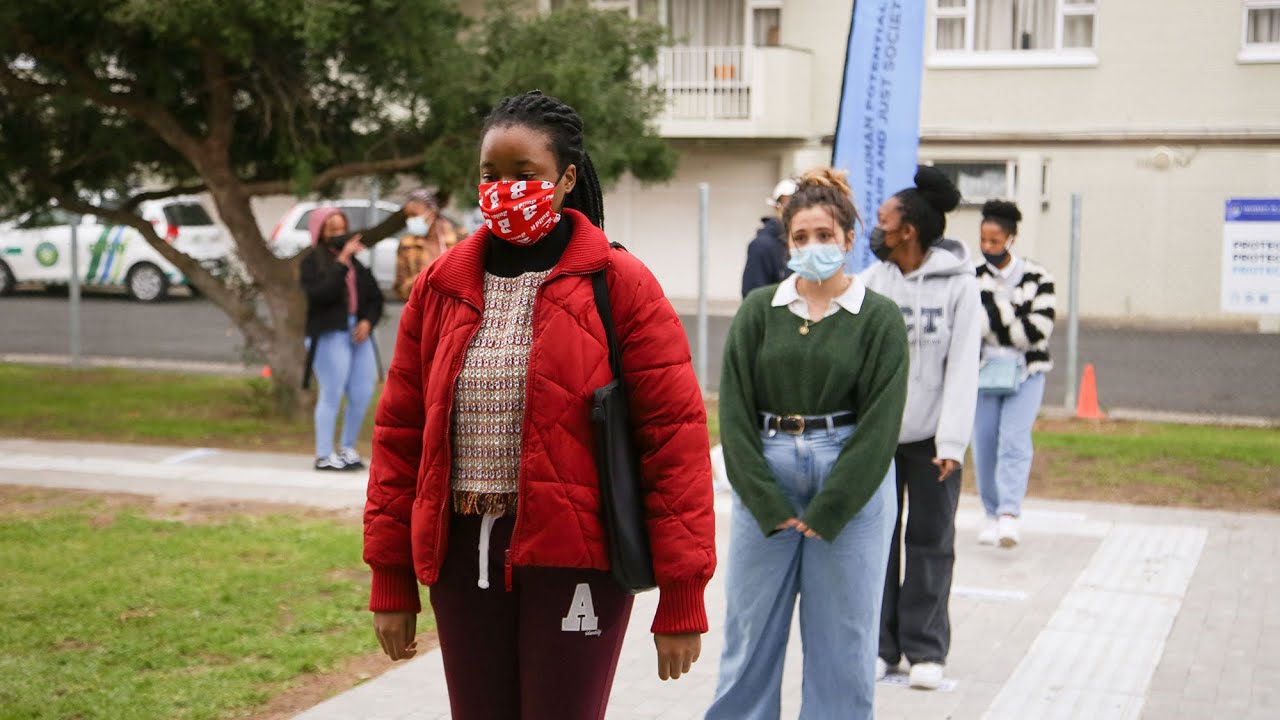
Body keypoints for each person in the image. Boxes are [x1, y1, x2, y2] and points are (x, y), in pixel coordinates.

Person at [362, 91, 716, 720]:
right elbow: (399, 436)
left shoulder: (620, 282)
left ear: (566, 179)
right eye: (490, 175)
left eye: (524, 175)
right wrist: (390, 574)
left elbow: (675, 441)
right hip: (461, 557)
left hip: (577, 555)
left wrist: (682, 594)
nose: (504, 189)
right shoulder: (441, 286)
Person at [708, 168, 908, 720]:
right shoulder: (758, 312)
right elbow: (736, 414)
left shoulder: (879, 317)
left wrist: (833, 507)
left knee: (844, 642)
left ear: (848, 238)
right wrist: (767, 503)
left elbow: (880, 424)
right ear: (786, 242)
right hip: (768, 474)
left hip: (851, 478)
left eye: (825, 235)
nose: (813, 246)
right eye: (800, 237)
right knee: (748, 635)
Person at [858, 167, 982, 691]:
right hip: (880, 439)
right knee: (876, 543)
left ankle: (927, 649)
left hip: (934, 442)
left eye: (883, 220)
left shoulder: (961, 286)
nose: (876, 228)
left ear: (907, 230)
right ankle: (881, 648)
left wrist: (951, 442)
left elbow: (962, 368)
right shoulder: (871, 281)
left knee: (932, 541)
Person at [972, 199, 1056, 548]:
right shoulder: (970, 277)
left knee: (1015, 440)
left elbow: (1038, 331)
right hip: (983, 374)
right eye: (984, 240)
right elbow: (972, 326)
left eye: (995, 241)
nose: (988, 247)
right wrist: (1013, 316)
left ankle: (1009, 513)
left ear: (1011, 238)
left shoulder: (1039, 276)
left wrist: (994, 313)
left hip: (1027, 374)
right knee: (985, 444)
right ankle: (991, 514)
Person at [299, 208, 384, 471]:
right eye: (332, 229)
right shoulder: (312, 262)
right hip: (328, 333)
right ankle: (324, 454)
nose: (339, 234)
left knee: (362, 391)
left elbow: (375, 298)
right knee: (332, 392)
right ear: (320, 232)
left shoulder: (357, 265)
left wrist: (367, 321)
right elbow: (320, 294)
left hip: (357, 333)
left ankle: (347, 448)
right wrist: (342, 260)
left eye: (341, 228)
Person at [393, 189, 459, 302]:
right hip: (422, 312)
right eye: (407, 216)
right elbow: (401, 290)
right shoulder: (407, 245)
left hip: (453, 311)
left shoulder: (457, 239)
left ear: (432, 212)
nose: (410, 220)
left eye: (414, 215)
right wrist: (424, 279)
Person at [740, 178, 796, 297]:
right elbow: (753, 296)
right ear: (777, 207)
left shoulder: (804, 245)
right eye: (790, 204)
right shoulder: (762, 246)